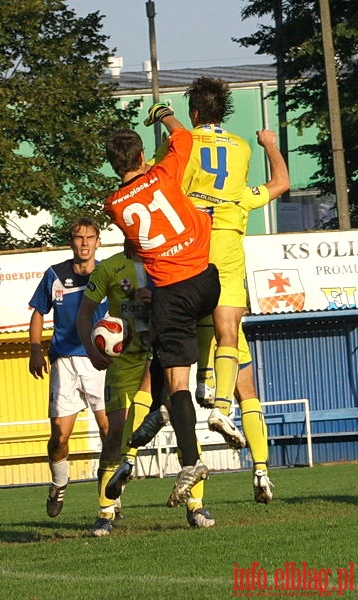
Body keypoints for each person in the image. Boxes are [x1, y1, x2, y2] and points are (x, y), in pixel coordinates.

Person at [132, 78, 289, 504]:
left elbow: (158, 174)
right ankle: (227, 416)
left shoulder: (181, 145)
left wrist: (153, 139)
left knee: (167, 357)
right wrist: (269, 144)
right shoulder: (240, 150)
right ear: (223, 111)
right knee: (235, 350)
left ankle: (144, 438)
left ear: (196, 111)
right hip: (227, 247)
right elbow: (278, 185)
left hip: (189, 253)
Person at [101, 104, 222, 513]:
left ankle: (190, 462)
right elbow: (184, 138)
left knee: (178, 381)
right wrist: (164, 114)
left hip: (171, 293)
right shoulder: (163, 172)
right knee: (174, 352)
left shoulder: (113, 204)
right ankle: (162, 408)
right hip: (208, 279)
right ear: (140, 158)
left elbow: (136, 242)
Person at [28, 217, 108, 519]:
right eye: (79, 237)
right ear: (71, 242)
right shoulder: (55, 275)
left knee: (108, 431)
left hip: (99, 361)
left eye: (90, 237)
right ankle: (59, 483)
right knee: (60, 437)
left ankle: (109, 498)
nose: (84, 242)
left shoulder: (106, 273)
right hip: (64, 362)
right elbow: (38, 312)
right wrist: (35, 350)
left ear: (98, 241)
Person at [76, 242, 155, 537]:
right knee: (115, 432)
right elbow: (85, 313)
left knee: (175, 420)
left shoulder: (161, 262)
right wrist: (92, 351)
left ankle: (195, 505)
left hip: (159, 356)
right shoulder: (110, 267)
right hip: (123, 361)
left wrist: (157, 300)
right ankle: (105, 509)